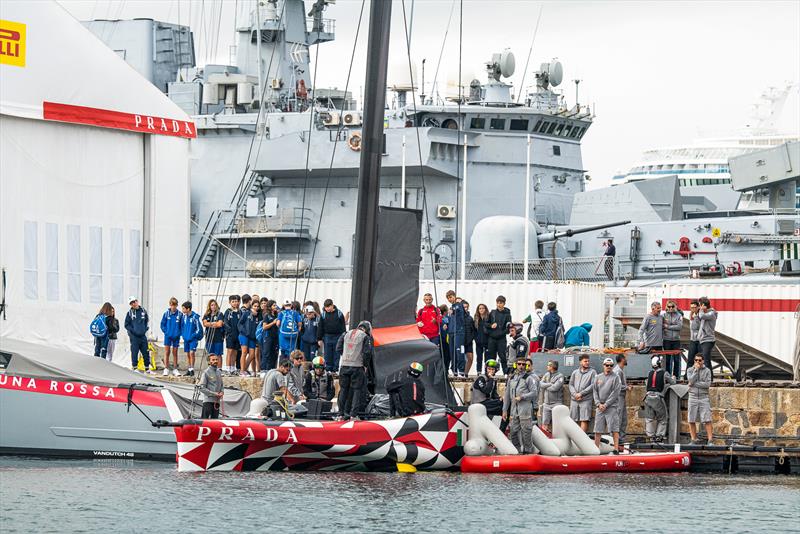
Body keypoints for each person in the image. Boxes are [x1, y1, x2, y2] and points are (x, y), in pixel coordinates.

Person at [336, 321, 374, 419]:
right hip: (357, 367)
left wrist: (346, 356)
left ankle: (340, 414)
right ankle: (353, 415)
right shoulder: (365, 337)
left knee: (343, 390)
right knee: (357, 391)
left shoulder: (346, 333)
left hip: (344, 366)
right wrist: (365, 365)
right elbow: (367, 353)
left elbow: (338, 348)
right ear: (367, 329)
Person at [502, 355, 538, 454]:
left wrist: (522, 397)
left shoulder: (529, 378)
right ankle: (516, 451)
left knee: (526, 433)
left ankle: (528, 452)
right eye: (519, 364)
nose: (521, 366)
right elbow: (507, 396)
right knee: (513, 431)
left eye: (523, 364)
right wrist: (504, 410)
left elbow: (534, 393)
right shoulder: (511, 378)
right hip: (514, 411)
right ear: (515, 365)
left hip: (525, 410)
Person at [593, 357, 622, 452]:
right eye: (607, 365)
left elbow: (615, 393)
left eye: (611, 365)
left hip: (611, 407)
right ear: (603, 366)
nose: (609, 367)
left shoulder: (616, 377)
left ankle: (616, 449)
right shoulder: (598, 377)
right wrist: (598, 404)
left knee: (614, 428)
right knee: (598, 429)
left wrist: (606, 404)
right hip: (599, 407)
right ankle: (595, 449)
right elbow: (594, 391)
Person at [643, 356, 675, 442]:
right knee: (663, 418)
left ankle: (650, 436)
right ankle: (659, 435)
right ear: (660, 363)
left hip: (648, 397)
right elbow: (673, 382)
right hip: (657, 398)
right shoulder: (665, 373)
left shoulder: (649, 373)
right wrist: (673, 379)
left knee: (649, 418)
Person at [687, 353, 713, 444]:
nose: (697, 362)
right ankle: (693, 439)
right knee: (691, 419)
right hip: (692, 396)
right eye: (696, 360)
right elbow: (690, 380)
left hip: (704, 397)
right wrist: (696, 371)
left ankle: (710, 440)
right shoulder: (690, 370)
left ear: (703, 361)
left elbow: (707, 384)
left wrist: (693, 384)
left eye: (699, 360)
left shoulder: (707, 371)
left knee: (707, 419)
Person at [568, 354, 596, 432]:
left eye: (588, 361)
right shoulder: (575, 372)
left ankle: (582, 439)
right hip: (574, 399)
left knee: (584, 419)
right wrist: (575, 394)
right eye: (585, 361)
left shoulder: (593, 372)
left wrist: (581, 394)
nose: (587, 362)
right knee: (573, 419)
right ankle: (573, 439)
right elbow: (571, 384)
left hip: (586, 400)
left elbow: (593, 385)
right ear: (580, 362)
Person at [318, 298, 347, 372]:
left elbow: (343, 327)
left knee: (336, 354)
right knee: (327, 354)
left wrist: (344, 337)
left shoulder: (339, 314)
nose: (327, 309)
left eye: (328, 307)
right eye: (326, 307)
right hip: (327, 336)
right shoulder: (323, 315)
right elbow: (320, 327)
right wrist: (319, 338)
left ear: (332, 305)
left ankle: (335, 370)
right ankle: (328, 370)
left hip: (337, 336)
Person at [124, 296, 151, 373]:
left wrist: (145, 329)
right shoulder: (129, 313)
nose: (133, 304)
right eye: (131, 303)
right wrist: (133, 331)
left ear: (137, 301)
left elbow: (146, 320)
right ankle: (135, 368)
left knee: (145, 352)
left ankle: (147, 368)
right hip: (134, 337)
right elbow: (126, 324)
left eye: (134, 302)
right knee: (134, 352)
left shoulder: (143, 311)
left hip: (142, 336)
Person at [487, 296, 512, 375]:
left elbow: (509, 328)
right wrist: (491, 326)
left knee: (503, 356)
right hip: (492, 338)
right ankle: (491, 374)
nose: (499, 304)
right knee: (491, 357)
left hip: (501, 339)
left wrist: (501, 333)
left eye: (501, 303)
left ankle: (505, 374)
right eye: (497, 303)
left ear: (504, 304)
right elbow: (486, 324)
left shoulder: (507, 314)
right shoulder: (492, 312)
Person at [539, 359, 565, 433]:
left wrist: (546, 386)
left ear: (553, 366)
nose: (547, 366)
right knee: (544, 423)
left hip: (556, 403)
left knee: (557, 423)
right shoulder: (546, 374)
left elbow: (555, 388)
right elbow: (540, 384)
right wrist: (550, 384)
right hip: (546, 403)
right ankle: (545, 438)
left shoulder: (560, 376)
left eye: (548, 365)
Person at [179, 301, 203, 377]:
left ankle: (192, 369)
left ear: (188, 309)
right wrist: (183, 335)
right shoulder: (184, 317)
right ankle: (189, 369)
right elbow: (182, 326)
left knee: (192, 353)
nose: (182, 310)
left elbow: (199, 329)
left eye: (183, 308)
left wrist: (193, 336)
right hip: (186, 339)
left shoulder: (195, 317)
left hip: (193, 339)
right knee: (188, 354)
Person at [446, 290, 467, 377]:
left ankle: (461, 370)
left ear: (454, 296)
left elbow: (459, 311)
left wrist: (458, 304)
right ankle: (454, 370)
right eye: (448, 298)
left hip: (459, 332)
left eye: (451, 297)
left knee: (460, 351)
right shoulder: (451, 308)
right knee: (452, 352)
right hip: (451, 333)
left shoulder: (459, 305)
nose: (450, 299)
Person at [160, 297, 182, 375]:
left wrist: (179, 333)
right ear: (170, 305)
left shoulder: (180, 314)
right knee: (167, 352)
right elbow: (162, 324)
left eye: (175, 305)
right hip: (168, 336)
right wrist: (166, 332)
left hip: (176, 337)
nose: (173, 307)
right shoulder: (166, 314)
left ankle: (175, 369)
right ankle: (166, 368)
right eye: (172, 305)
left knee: (175, 352)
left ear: (177, 305)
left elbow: (181, 325)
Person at [198, 353, 224, 419]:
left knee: (215, 421)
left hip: (217, 402)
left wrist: (222, 392)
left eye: (216, 359)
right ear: (209, 362)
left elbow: (221, 385)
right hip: (208, 402)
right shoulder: (206, 372)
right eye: (213, 360)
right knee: (205, 420)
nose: (215, 361)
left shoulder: (219, 372)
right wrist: (214, 394)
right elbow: (201, 388)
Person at [662, 300, 683, 378]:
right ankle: (667, 376)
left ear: (675, 306)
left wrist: (668, 326)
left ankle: (676, 376)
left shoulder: (679, 315)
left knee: (676, 359)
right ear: (666, 307)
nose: (670, 308)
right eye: (669, 306)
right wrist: (673, 326)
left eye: (672, 306)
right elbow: (662, 326)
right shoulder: (664, 315)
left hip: (676, 340)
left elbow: (679, 327)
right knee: (667, 359)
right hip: (666, 340)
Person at [238, 300, 260, 376]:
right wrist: (244, 332)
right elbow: (240, 323)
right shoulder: (246, 313)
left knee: (252, 354)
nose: (256, 308)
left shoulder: (258, 316)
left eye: (257, 306)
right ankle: (242, 370)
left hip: (252, 337)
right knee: (244, 352)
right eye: (255, 306)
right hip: (244, 335)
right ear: (251, 306)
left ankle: (244, 369)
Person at [697, 296, 718, 378]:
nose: (699, 307)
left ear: (703, 305)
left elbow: (702, 316)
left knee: (706, 359)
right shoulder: (704, 313)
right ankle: (708, 377)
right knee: (704, 359)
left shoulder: (711, 313)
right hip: (702, 339)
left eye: (700, 305)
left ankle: (709, 378)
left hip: (708, 340)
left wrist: (701, 310)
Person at [612, 354, 629, 450]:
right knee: (618, 419)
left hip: (621, 397)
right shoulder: (618, 371)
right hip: (619, 398)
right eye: (625, 358)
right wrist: (627, 387)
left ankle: (621, 440)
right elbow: (617, 385)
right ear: (622, 359)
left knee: (623, 419)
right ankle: (616, 441)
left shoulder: (619, 370)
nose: (626, 360)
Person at [223, 295, 242, 376]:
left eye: (236, 301)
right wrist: (229, 332)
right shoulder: (228, 311)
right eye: (233, 301)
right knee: (230, 351)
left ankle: (233, 368)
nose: (235, 303)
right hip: (230, 335)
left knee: (235, 352)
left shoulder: (240, 312)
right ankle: (228, 368)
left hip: (238, 335)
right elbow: (225, 323)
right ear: (230, 302)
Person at [260, 300, 280, 375]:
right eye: (274, 305)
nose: (275, 307)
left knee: (273, 353)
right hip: (268, 337)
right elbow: (264, 327)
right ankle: (263, 369)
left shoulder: (276, 315)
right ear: (270, 307)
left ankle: (271, 369)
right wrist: (273, 323)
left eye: (275, 305)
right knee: (266, 353)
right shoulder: (266, 315)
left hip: (275, 336)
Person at [686, 300, 701, 379]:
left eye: (694, 307)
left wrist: (695, 318)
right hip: (693, 339)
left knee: (700, 359)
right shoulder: (691, 314)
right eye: (691, 307)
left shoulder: (700, 315)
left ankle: (700, 376)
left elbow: (695, 327)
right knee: (690, 358)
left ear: (698, 307)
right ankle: (687, 376)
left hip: (700, 340)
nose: (693, 309)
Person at [473, 303, 490, 374]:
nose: (481, 310)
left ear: (485, 309)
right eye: (480, 308)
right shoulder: (476, 318)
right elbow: (474, 330)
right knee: (479, 357)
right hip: (478, 342)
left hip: (487, 341)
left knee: (487, 358)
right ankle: (479, 371)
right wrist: (476, 338)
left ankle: (486, 371)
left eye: (483, 308)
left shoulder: (488, 318)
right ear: (478, 310)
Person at [463, 300, 475, 377]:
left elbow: (473, 330)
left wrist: (471, 339)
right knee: (460, 359)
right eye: (464, 307)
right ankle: (460, 373)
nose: (465, 308)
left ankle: (466, 373)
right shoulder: (457, 317)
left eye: (466, 307)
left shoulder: (470, 318)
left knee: (470, 358)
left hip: (468, 341)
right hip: (460, 341)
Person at [439, 304, 451, 372]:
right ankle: (445, 369)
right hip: (445, 340)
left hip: (443, 340)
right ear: (445, 311)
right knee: (447, 356)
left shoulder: (443, 318)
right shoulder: (446, 318)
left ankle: (445, 370)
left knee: (444, 356)